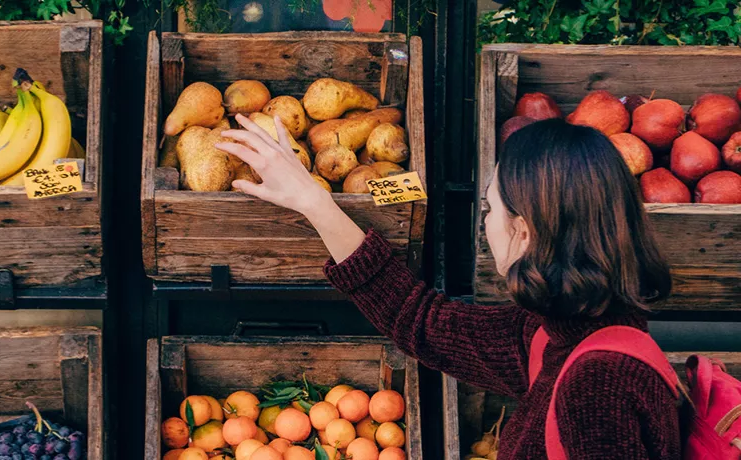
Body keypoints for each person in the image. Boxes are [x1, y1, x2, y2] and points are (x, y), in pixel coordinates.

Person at [217, 115, 679, 459]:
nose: (484, 224)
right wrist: (314, 204)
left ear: (524, 231)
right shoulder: (560, 329)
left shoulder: (597, 388)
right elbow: (423, 322)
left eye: (489, 210)